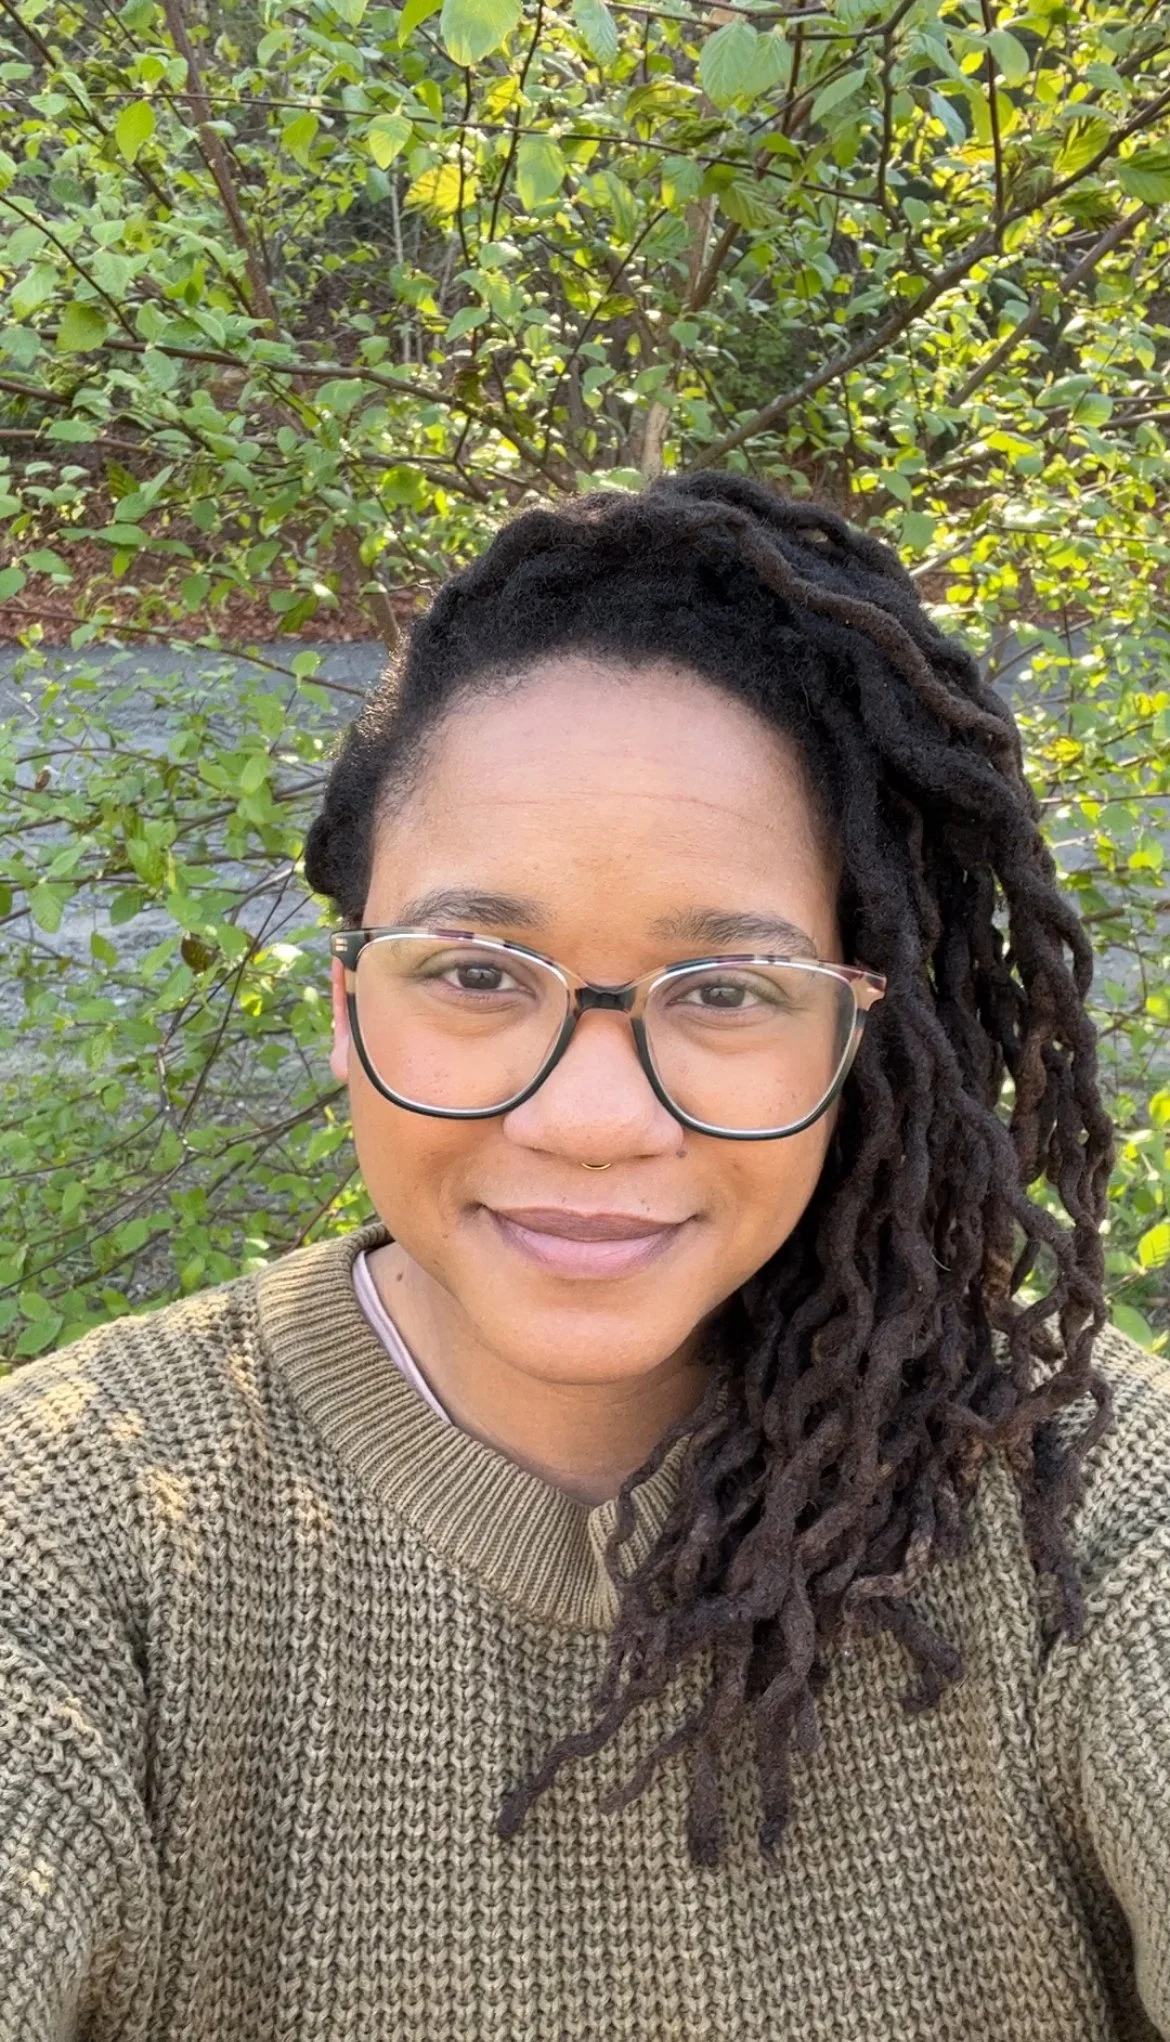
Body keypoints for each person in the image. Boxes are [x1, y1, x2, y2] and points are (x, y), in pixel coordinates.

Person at [1, 472, 1167, 2042]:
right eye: (478, 971)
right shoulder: (77, 1521)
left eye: (728, 989)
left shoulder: (1080, 1491)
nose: (592, 1117)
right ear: (348, 1006)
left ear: (856, 1032)